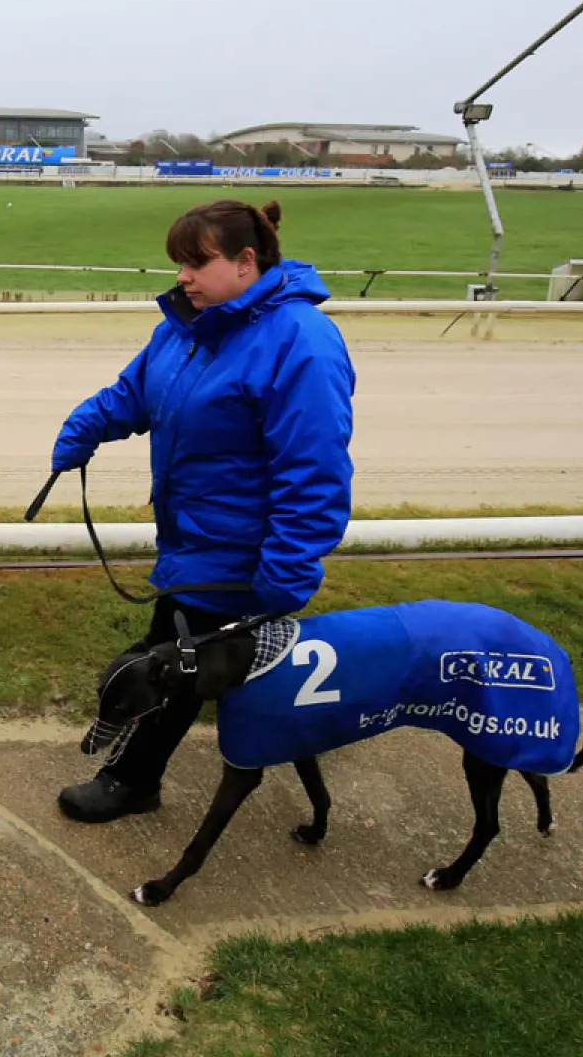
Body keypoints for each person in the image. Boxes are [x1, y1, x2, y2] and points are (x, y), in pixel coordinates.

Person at [49, 199, 356, 823]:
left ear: (248, 262)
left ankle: (134, 779)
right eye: (179, 264)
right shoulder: (190, 324)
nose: (183, 277)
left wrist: (288, 568)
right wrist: (85, 427)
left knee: (173, 668)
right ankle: (289, 750)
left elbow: (315, 470)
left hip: (240, 556)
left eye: (196, 263)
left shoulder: (303, 342)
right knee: (205, 666)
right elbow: (136, 393)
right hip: (192, 541)